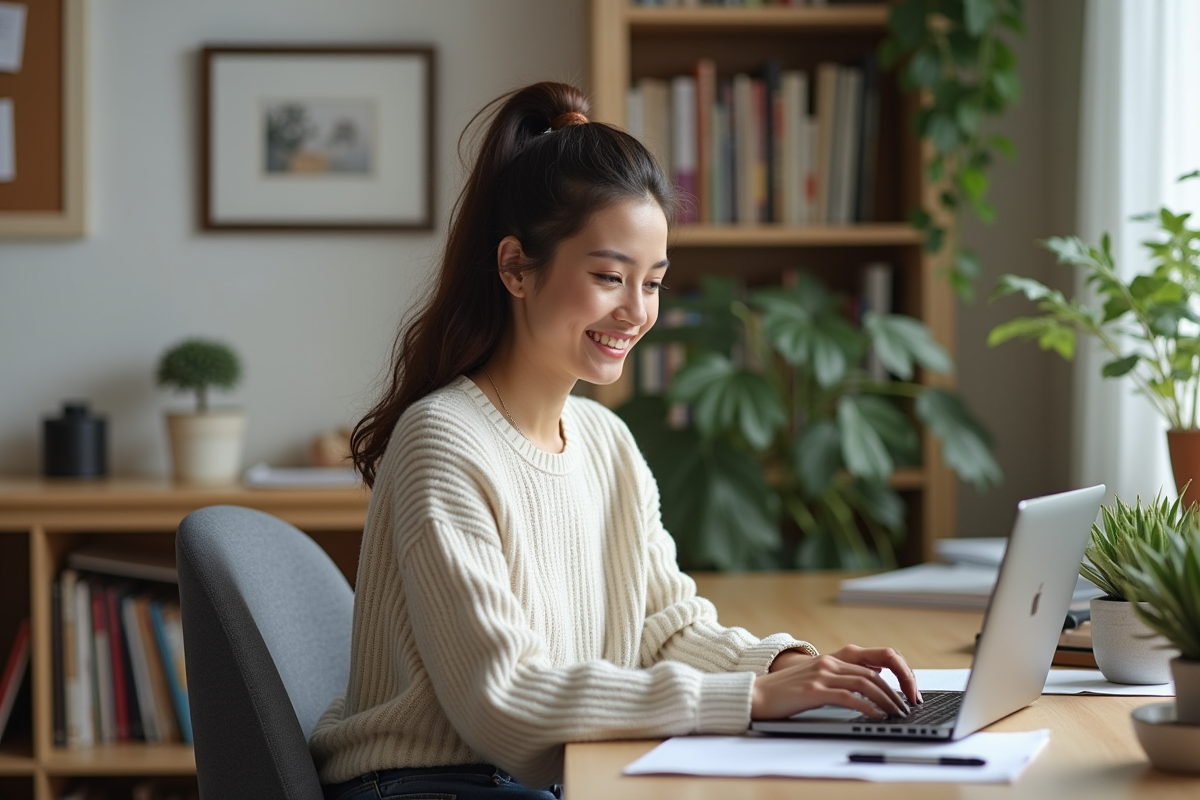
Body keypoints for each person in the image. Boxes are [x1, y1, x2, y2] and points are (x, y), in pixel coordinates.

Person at [308, 81, 921, 800]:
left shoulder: (605, 441)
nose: (635, 312)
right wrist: (749, 700)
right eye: (608, 277)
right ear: (515, 268)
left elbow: (661, 628)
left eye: (653, 283)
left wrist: (785, 668)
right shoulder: (443, 441)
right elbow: (503, 700)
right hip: (427, 783)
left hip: (535, 779)